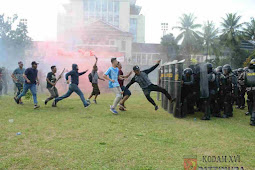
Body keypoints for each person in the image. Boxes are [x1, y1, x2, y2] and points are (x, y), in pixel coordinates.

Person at [243, 59, 255, 126]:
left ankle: (250, 112)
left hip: (248, 90)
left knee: (250, 101)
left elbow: (244, 80)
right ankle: (252, 120)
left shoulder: (246, 71)